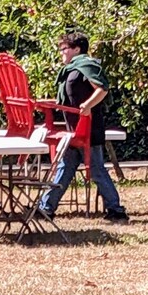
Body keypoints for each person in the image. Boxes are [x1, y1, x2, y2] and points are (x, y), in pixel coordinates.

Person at [39, 31, 129, 221]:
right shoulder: (72, 69)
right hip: (73, 131)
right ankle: (45, 209)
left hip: (88, 129)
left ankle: (116, 210)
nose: (61, 53)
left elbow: (102, 89)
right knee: (65, 168)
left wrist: (87, 106)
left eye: (64, 49)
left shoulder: (87, 66)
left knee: (96, 169)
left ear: (77, 49)